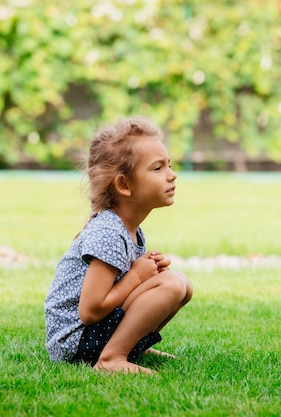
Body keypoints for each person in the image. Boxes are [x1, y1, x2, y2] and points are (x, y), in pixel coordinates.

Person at [44, 115, 193, 374]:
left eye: (169, 165)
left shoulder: (128, 229)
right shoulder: (108, 231)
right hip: (74, 340)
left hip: (90, 331)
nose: (172, 175)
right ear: (124, 185)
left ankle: (134, 346)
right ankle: (111, 359)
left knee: (182, 285)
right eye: (158, 168)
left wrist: (148, 271)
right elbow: (90, 311)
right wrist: (136, 276)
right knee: (171, 285)